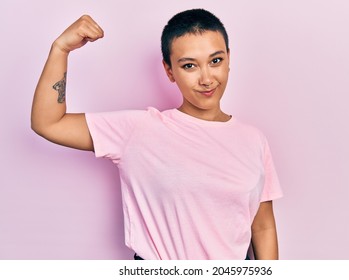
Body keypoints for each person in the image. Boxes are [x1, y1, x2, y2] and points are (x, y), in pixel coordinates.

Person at [31, 8, 283, 260]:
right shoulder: (140, 130)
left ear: (228, 59)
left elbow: (262, 226)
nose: (206, 78)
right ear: (169, 71)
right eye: (189, 66)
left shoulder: (254, 140)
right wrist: (60, 49)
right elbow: (48, 123)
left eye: (215, 61)